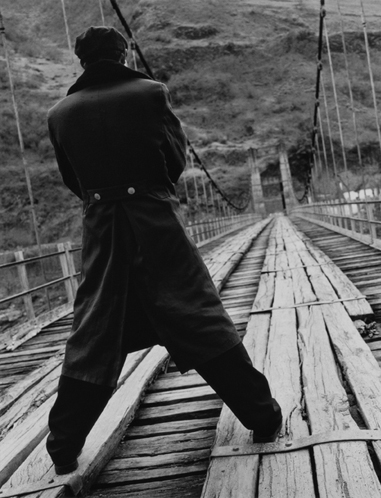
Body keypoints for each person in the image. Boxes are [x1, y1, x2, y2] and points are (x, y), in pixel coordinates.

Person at [46, 26, 282, 475]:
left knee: (94, 332)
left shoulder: (59, 114)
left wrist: (106, 200)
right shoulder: (151, 94)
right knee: (199, 316)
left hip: (102, 233)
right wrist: (149, 193)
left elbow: (72, 179)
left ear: (82, 60)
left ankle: (62, 447)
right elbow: (174, 160)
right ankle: (262, 415)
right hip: (157, 226)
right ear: (123, 54)